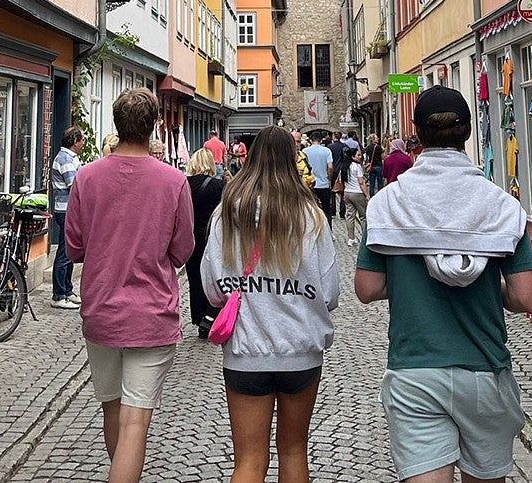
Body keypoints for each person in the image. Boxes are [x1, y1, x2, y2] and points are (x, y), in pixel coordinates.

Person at [356, 87, 532, 483]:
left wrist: (406, 281)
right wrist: (497, 289)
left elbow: (367, 288)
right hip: (484, 371)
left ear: (418, 135)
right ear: (468, 133)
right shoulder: (501, 206)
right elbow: (528, 297)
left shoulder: (388, 204)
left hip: (415, 372)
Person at [65, 89, 195, 483]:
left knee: (113, 410)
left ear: (116, 126)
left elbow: (73, 248)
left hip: (102, 311)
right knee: (135, 421)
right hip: (151, 314)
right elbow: (182, 249)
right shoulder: (173, 182)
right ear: (155, 125)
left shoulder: (86, 178)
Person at [202, 126, 339, 483]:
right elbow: (330, 293)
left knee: (247, 461)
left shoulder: (226, 215)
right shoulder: (311, 217)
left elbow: (213, 289)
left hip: (246, 353)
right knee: (294, 451)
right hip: (300, 351)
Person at [185, 148, 226, 338]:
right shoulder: (218, 185)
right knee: (212, 275)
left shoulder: (184, 184)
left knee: (194, 277)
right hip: (211, 236)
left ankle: (198, 315)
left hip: (190, 237)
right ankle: (209, 317)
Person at [49, 127, 84, 310]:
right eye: (81, 140)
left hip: (69, 209)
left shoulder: (70, 158)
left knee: (69, 251)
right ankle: (58, 294)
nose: (83, 143)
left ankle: (68, 290)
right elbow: (75, 185)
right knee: (64, 252)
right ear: (74, 141)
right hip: (65, 210)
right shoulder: (64, 159)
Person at [302, 134, 334, 223]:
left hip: (309, 184)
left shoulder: (305, 151)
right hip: (323, 184)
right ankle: (329, 229)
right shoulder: (327, 151)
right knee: (326, 209)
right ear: (321, 140)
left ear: (310, 140)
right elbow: (330, 167)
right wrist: (329, 179)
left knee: (310, 209)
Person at [341, 147, 369, 247]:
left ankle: (351, 238)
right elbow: (361, 182)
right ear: (353, 156)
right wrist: (366, 195)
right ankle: (366, 238)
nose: (360, 157)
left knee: (350, 216)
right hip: (357, 193)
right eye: (358, 155)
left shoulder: (344, 166)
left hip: (347, 192)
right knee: (363, 217)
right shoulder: (357, 167)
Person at [328, 133, 348, 219]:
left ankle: (332, 211)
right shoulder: (344, 146)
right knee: (343, 191)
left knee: (332, 191)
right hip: (342, 170)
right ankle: (342, 212)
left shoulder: (330, 147)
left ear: (333, 137)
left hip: (333, 170)